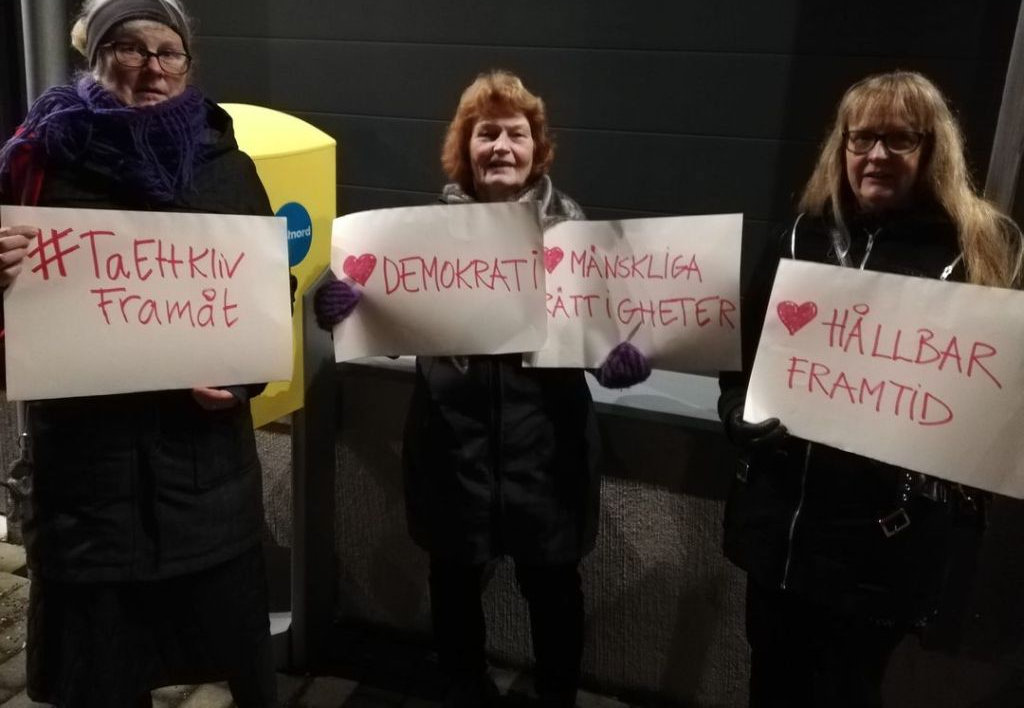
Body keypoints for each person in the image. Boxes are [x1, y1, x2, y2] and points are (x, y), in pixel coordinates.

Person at [315, 70, 649, 707]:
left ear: (537, 147)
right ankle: (464, 692)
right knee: (454, 584)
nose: (501, 147)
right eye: (486, 133)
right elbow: (386, 321)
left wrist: (616, 360)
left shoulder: (575, 232)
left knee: (554, 591)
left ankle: (556, 699)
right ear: (464, 147)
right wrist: (341, 308)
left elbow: (603, 332)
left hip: (547, 453)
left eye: (515, 134)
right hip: (453, 451)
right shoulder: (419, 236)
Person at [0, 0, 277, 707]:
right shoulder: (36, 164)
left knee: (225, 652)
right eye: (129, 47)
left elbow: (264, 296)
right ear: (94, 57)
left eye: (169, 51)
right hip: (88, 486)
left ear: (187, 63)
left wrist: (241, 379)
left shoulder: (226, 166)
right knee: (103, 677)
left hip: (203, 476)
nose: (152, 67)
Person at [718, 70, 1024, 707]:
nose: (876, 155)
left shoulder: (972, 255)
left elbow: (987, 406)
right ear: (842, 146)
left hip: (884, 543)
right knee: (769, 683)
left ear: (933, 149)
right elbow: (740, 365)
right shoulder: (797, 237)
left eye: (899, 139)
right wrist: (736, 412)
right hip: (783, 524)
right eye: (861, 138)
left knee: (848, 691)